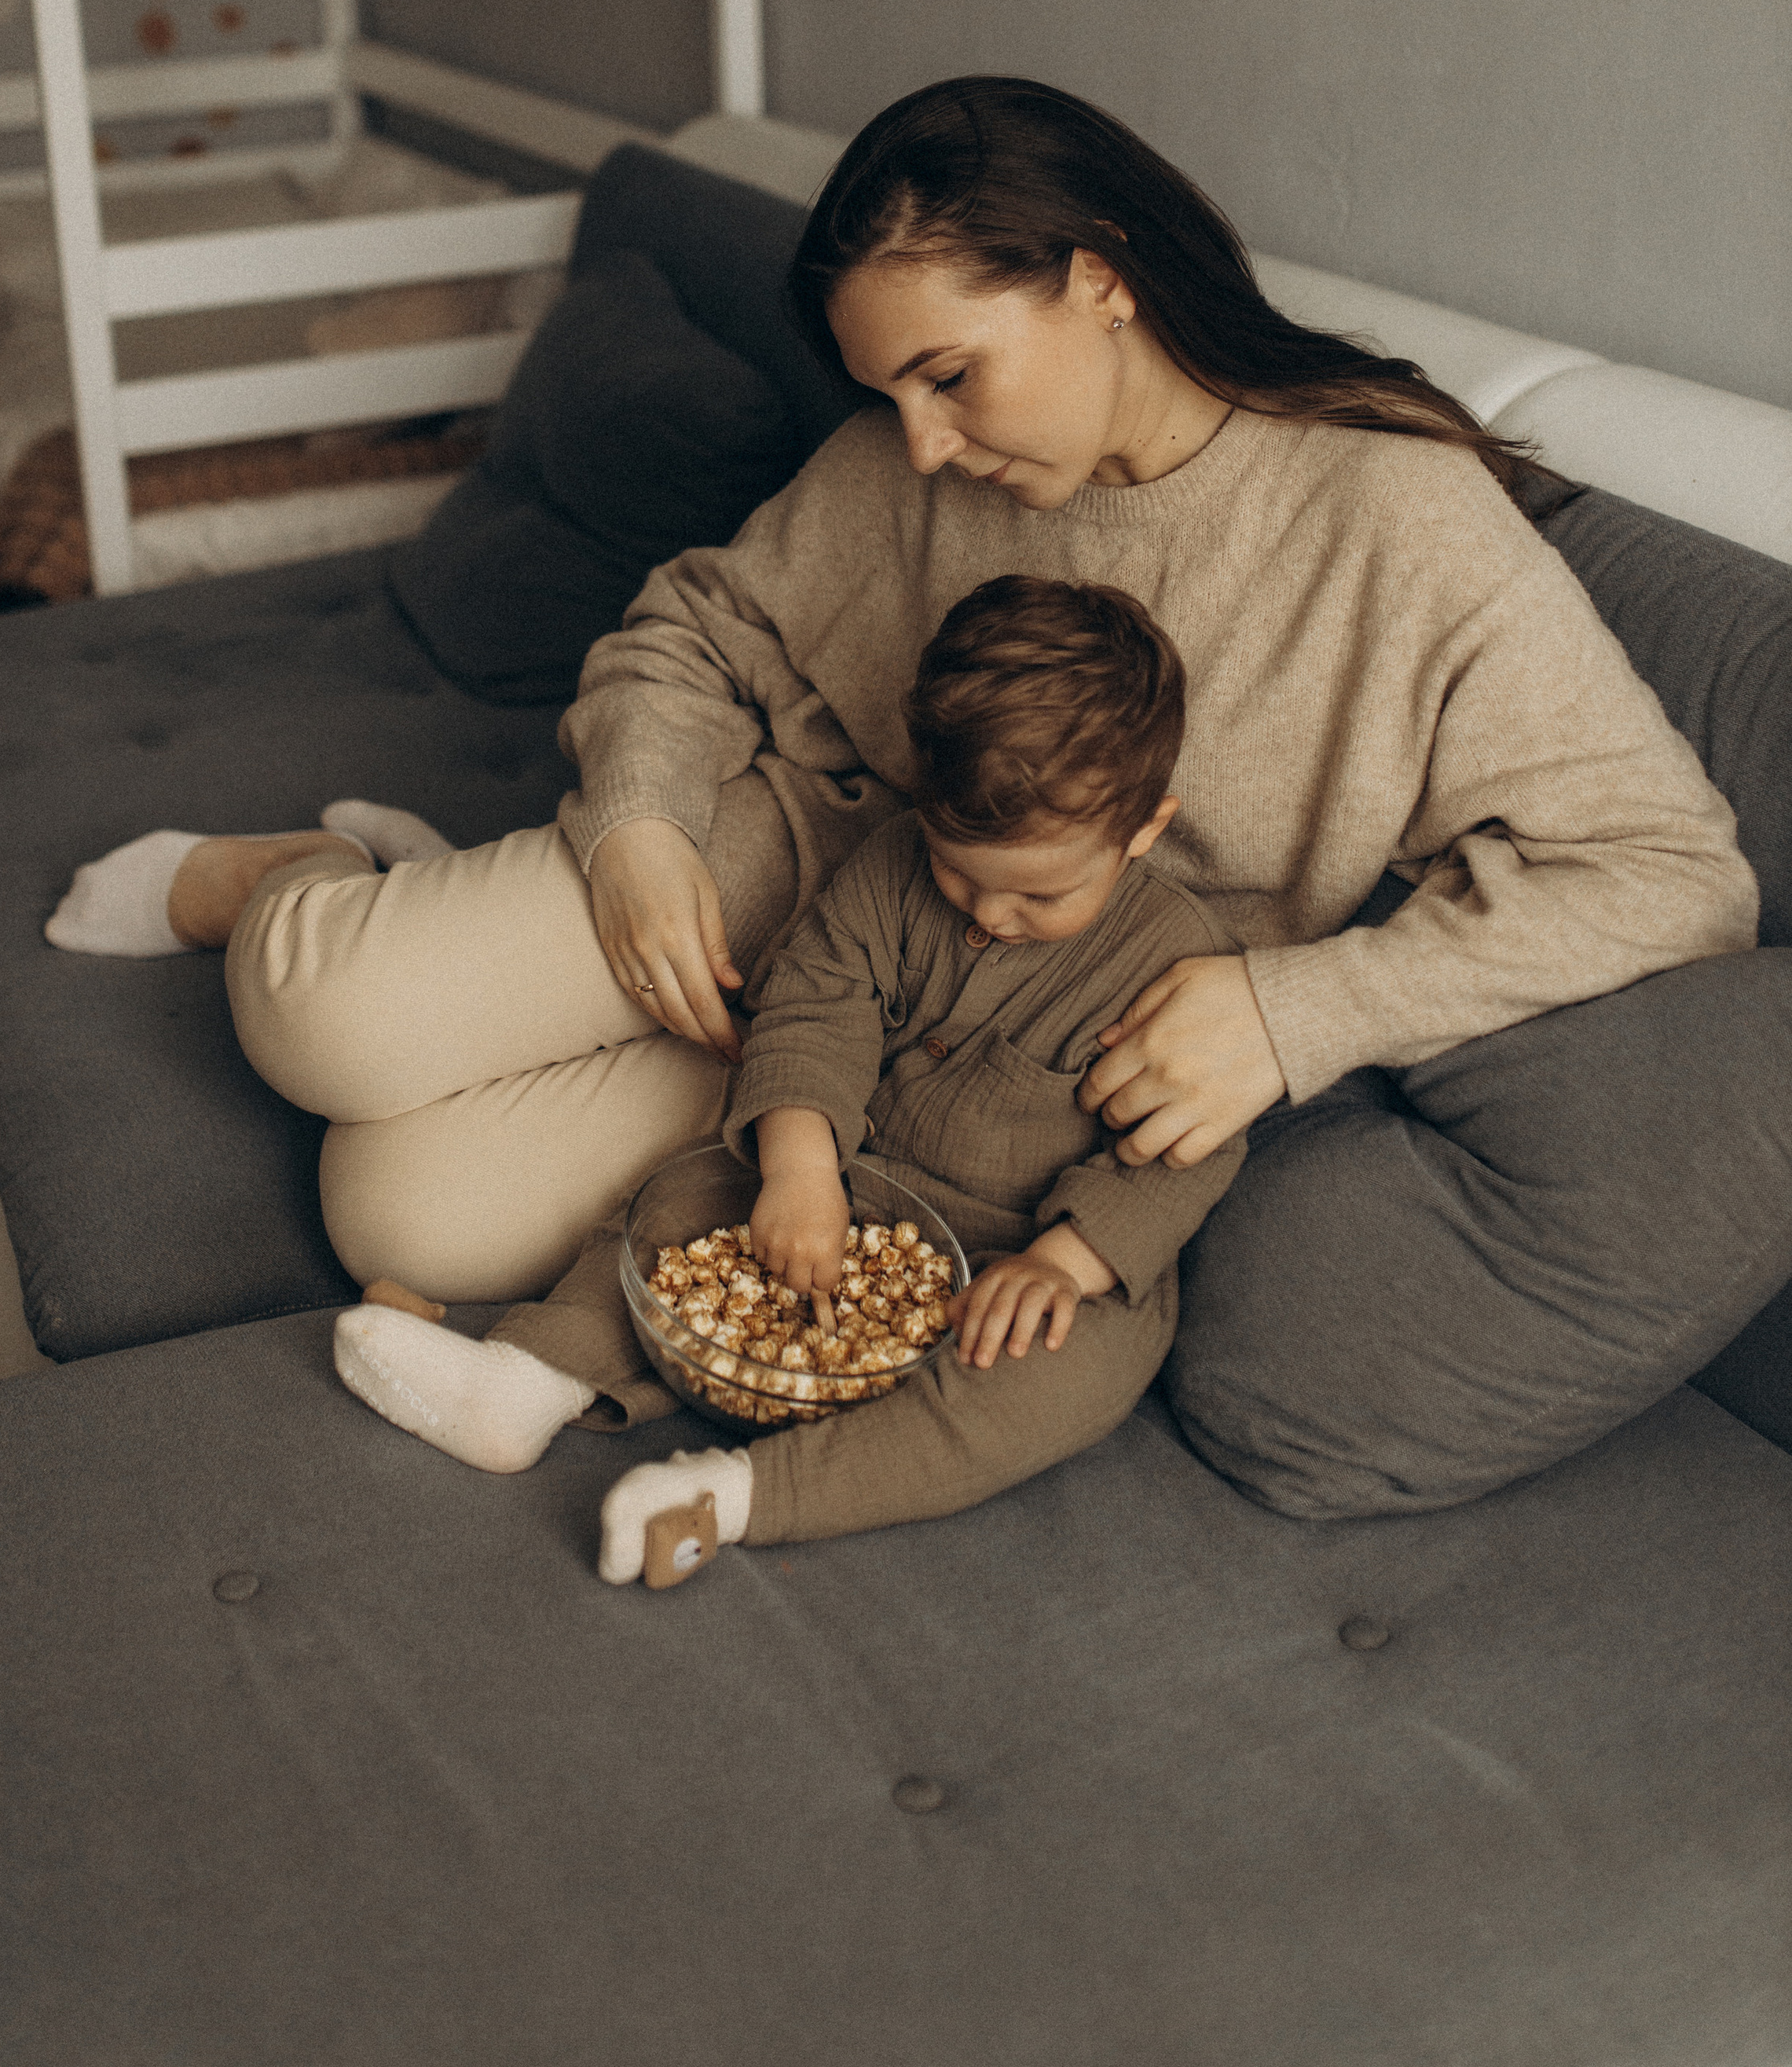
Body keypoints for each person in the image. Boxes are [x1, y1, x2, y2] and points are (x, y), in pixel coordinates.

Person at [46, 77, 1761, 1516]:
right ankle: (285, 875)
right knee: (324, 1023)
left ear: (1098, 282)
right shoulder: (915, 466)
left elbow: (1676, 872)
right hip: (783, 872)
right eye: (892, 397)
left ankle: (414, 897)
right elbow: (688, 629)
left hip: (937, 1077)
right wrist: (638, 823)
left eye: (948, 376)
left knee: (393, 1214)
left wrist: (1295, 1012)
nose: (922, 446)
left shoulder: (1398, 521)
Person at [331, 575, 1248, 1586]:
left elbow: (1178, 1151)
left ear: (1145, 827)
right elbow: (819, 1006)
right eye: (958, 873)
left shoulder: (1178, 962)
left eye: (1040, 893)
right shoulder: (891, 864)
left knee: (1057, 1376)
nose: (990, 915)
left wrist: (1065, 1266)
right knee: (678, 1201)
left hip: (1029, 1251)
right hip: (853, 1174)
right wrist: (802, 1170)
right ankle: (524, 1381)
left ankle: (730, 1498)